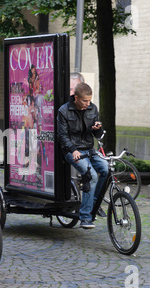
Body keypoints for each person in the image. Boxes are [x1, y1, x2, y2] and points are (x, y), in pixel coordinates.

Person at [57, 83, 108, 229]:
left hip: (89, 149)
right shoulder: (64, 111)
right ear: (76, 97)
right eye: (85, 101)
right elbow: (62, 136)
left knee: (106, 169)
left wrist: (98, 129)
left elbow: (97, 134)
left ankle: (94, 203)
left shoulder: (92, 108)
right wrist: (73, 150)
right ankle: (85, 217)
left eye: (89, 100)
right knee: (91, 175)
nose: (88, 104)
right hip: (71, 151)